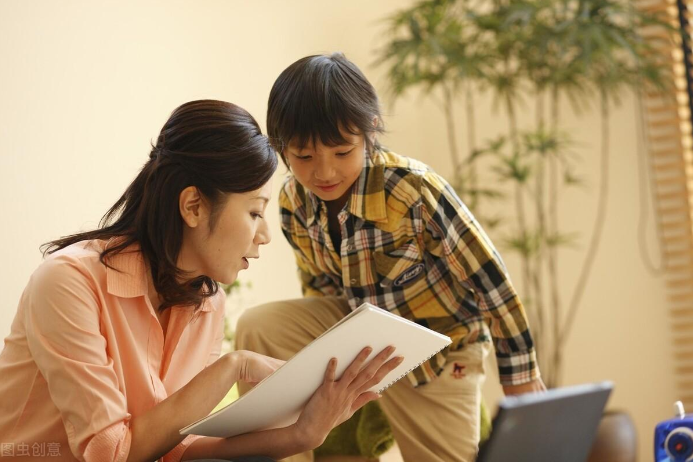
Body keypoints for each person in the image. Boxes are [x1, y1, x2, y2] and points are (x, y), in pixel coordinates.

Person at [0, 100, 403, 462]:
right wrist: (234, 366)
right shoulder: (68, 282)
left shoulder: (207, 302)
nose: (264, 236)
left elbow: (177, 448)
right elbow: (111, 453)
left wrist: (303, 434)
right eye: (254, 213)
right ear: (193, 206)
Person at [235, 54, 547, 462]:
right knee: (259, 326)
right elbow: (320, 288)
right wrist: (328, 376)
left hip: (439, 353)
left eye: (342, 152)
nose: (323, 173)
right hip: (361, 333)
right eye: (304, 157)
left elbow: (491, 284)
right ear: (281, 147)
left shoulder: (414, 190)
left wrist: (521, 377)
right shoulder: (294, 201)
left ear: (371, 130)